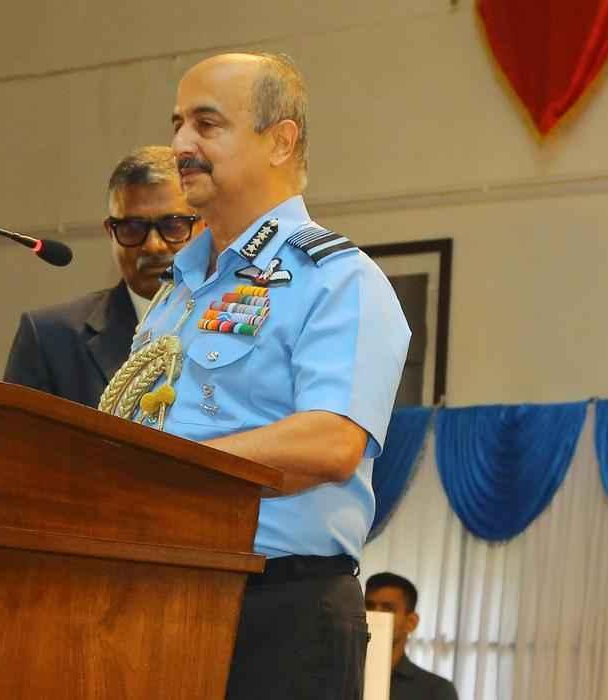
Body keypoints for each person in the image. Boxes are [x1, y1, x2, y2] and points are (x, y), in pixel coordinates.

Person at [100, 53, 410, 699]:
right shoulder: (178, 291)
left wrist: (168, 469)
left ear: (280, 140)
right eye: (178, 123)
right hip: (152, 592)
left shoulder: (336, 278)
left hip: (277, 611)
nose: (181, 145)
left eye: (207, 124)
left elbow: (331, 441)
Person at [3, 146, 202, 406]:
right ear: (110, 232)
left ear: (204, 224)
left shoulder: (236, 322)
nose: (153, 246)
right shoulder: (50, 339)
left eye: (173, 225)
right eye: (132, 228)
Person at [365, 572, 459, 700]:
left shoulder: (436, 691)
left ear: (411, 622)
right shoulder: (343, 678)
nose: (375, 615)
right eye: (368, 606)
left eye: (388, 609)